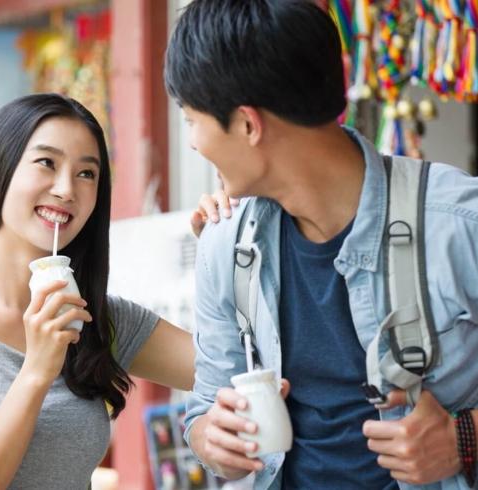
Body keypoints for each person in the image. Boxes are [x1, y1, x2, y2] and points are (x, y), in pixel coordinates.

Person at [164, 1, 478, 489]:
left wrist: (466, 438)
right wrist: (213, 438)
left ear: (248, 125)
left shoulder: (459, 223)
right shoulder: (224, 245)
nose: (192, 143)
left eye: (191, 120)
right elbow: (204, 414)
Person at [0, 93, 195, 489]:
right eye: (47, 163)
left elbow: (230, 368)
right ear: (1, 168)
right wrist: (36, 372)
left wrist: (222, 241)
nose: (66, 189)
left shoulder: (98, 319)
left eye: (87, 173)